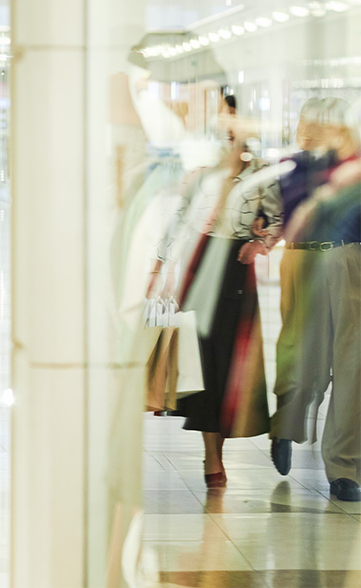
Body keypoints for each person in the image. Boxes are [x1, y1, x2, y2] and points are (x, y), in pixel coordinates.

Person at [154, 96, 281, 488]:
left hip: (235, 270)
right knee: (202, 358)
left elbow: (277, 220)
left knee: (229, 361)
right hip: (199, 262)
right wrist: (161, 267)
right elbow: (177, 222)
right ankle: (212, 457)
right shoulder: (201, 174)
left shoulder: (263, 173)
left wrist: (261, 243)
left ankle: (220, 451)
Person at [271, 97, 361, 502]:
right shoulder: (293, 167)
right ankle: (286, 425)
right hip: (300, 259)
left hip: (348, 258)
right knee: (300, 352)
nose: (305, 130)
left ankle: (343, 467)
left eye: (316, 124)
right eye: (303, 123)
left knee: (351, 364)